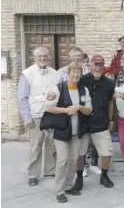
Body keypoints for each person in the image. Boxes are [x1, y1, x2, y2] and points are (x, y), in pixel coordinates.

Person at [45, 62, 92, 203]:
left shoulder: (83, 90)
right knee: (62, 161)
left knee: (73, 161)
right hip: (62, 131)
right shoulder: (59, 88)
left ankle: (68, 186)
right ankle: (59, 191)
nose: (76, 74)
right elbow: (48, 107)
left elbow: (89, 110)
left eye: (78, 72)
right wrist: (66, 110)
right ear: (68, 73)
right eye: (73, 72)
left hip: (76, 132)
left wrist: (78, 107)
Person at [18, 46, 59, 186]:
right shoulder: (27, 74)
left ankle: (50, 169)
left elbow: (58, 92)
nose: (43, 58)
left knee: (51, 145)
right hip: (35, 115)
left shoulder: (55, 73)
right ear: (34, 58)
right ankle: (33, 174)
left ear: (49, 57)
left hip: (51, 114)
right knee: (35, 146)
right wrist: (27, 118)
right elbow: (22, 98)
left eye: (45, 56)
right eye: (39, 56)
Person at [74, 55, 115, 190]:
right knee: (80, 154)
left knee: (106, 152)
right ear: (90, 66)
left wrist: (110, 120)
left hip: (101, 123)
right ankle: (79, 177)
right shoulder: (82, 80)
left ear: (103, 66)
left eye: (100, 65)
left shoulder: (109, 83)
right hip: (84, 123)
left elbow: (110, 103)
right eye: (95, 65)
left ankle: (104, 175)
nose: (98, 67)